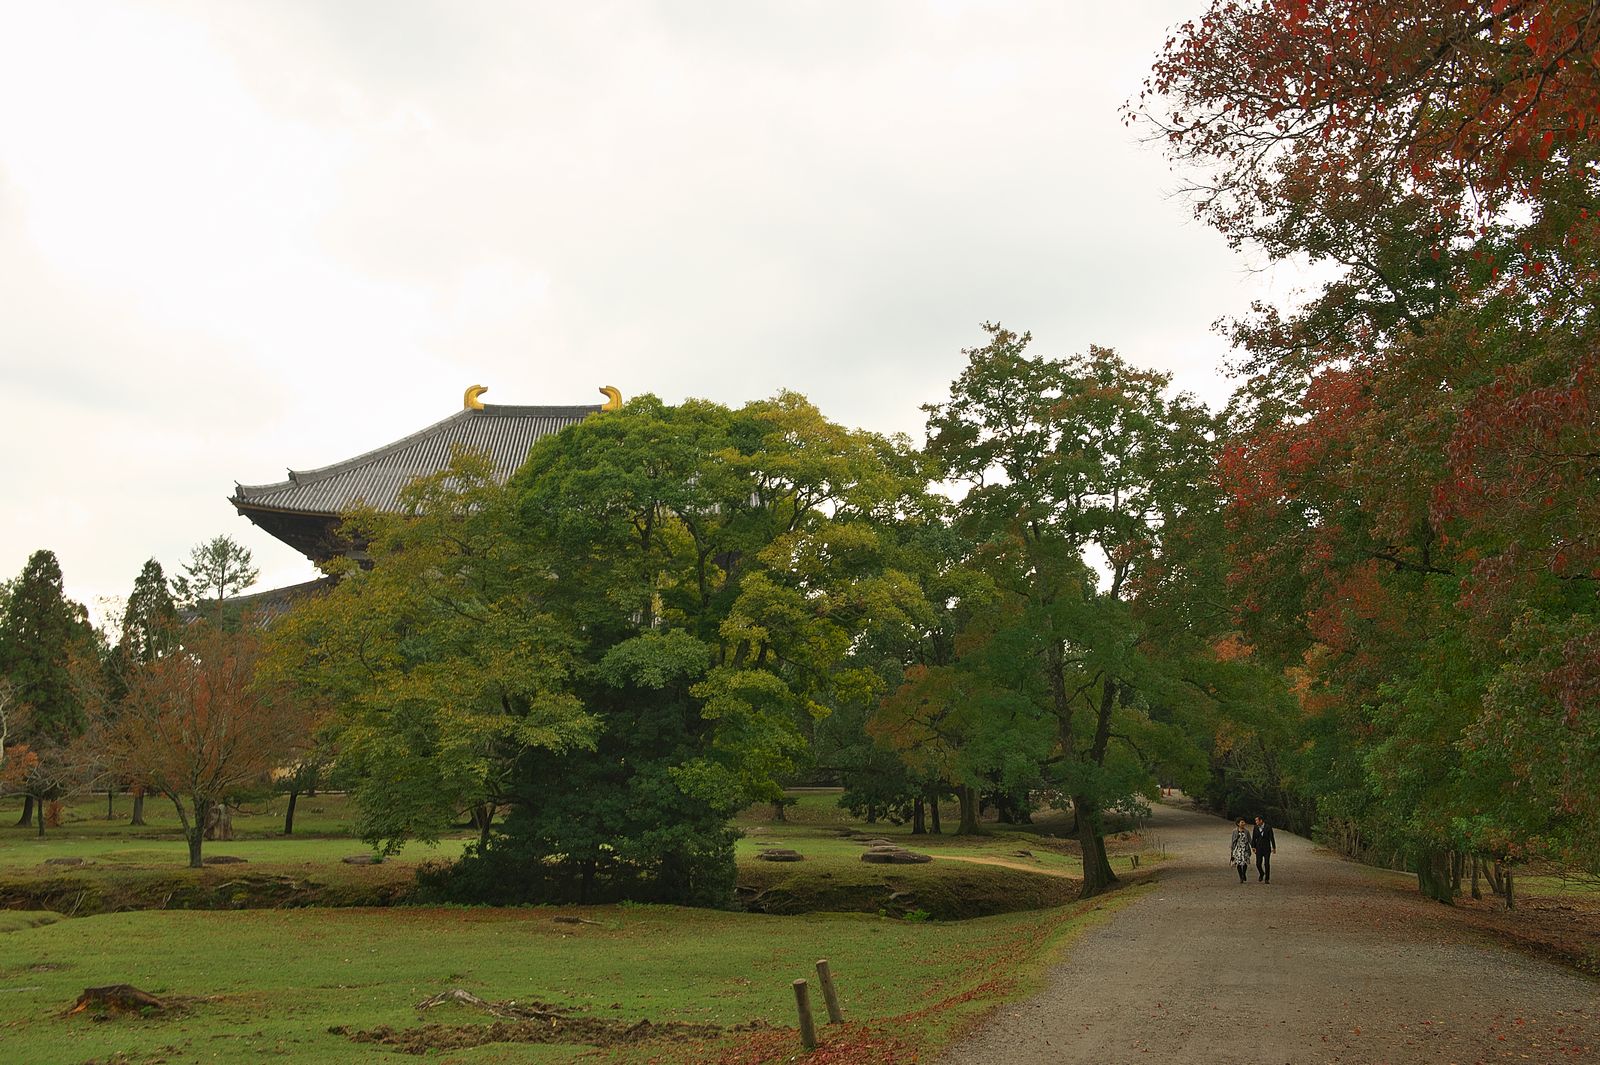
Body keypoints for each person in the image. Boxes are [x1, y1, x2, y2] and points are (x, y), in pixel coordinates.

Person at [1252, 815, 1277, 883]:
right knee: (1258, 863)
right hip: (1258, 847)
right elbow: (1254, 837)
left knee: (1266, 863)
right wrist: (1253, 847)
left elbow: (1272, 838)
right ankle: (1262, 873)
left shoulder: (1268, 827)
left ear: (1261, 820)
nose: (1256, 822)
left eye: (1257, 820)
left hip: (1266, 848)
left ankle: (1267, 878)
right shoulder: (1255, 827)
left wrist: (1274, 847)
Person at [1229, 818, 1252, 883]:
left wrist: (1253, 847)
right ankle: (1241, 877)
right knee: (1238, 863)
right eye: (1242, 822)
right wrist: (1232, 849)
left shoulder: (1246, 831)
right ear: (1238, 823)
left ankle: (1243, 874)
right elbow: (1233, 840)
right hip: (1238, 849)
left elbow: (1250, 840)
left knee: (1245, 862)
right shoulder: (1234, 831)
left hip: (1245, 848)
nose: (1243, 823)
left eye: (1244, 822)